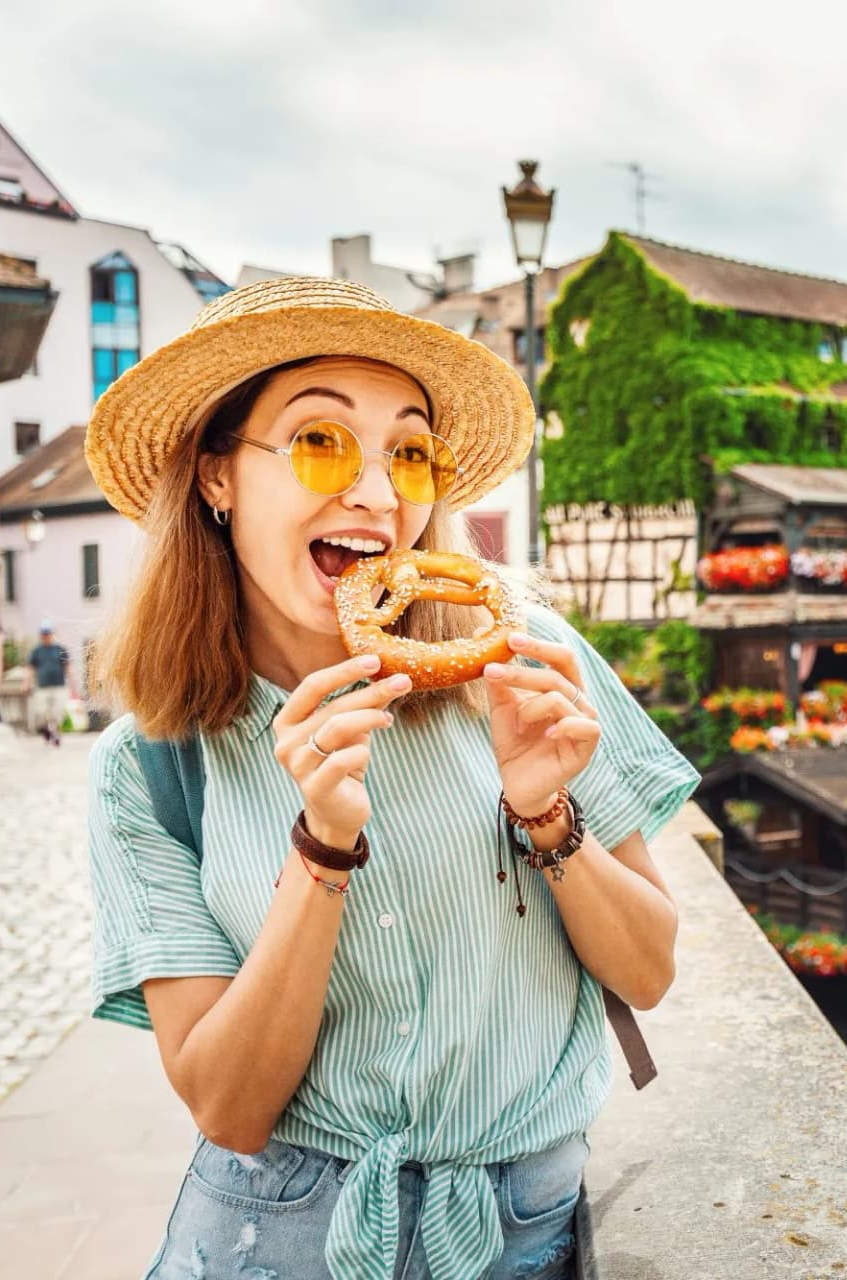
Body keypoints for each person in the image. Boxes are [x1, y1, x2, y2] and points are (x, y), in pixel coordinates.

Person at [81, 278, 698, 1280]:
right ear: (216, 476)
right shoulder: (149, 766)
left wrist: (546, 811)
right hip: (270, 1241)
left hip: (518, 1235)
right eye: (321, 441)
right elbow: (227, 1104)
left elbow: (651, 970)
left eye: (410, 452)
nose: (376, 491)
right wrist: (321, 845)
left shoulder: (524, 661)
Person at [28, 622, 70, 745]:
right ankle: (47, 730)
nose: (46, 636)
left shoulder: (60, 650)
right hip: (42, 686)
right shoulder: (36, 651)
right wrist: (27, 682)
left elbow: (68, 667)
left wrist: (73, 685)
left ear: (52, 634)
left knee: (58, 711)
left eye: (48, 633)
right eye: (44, 634)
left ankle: (56, 733)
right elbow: (31, 668)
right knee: (41, 712)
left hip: (59, 685)